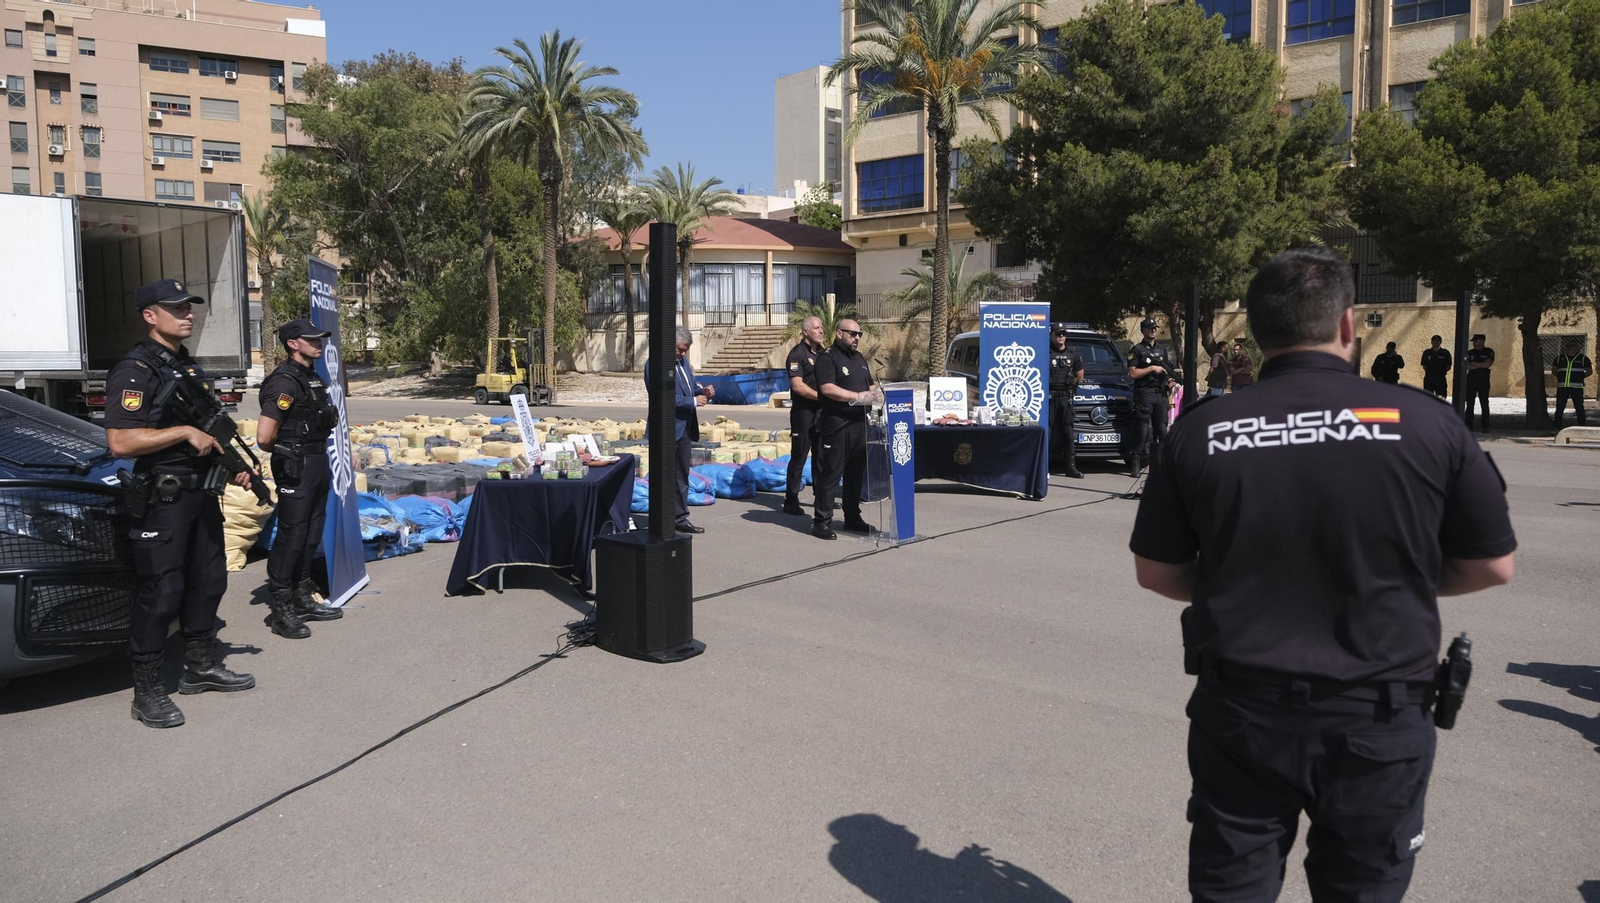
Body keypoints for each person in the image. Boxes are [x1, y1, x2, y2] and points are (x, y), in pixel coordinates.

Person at [1129, 247, 1516, 903]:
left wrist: (1237, 580)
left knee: (1232, 889)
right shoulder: (1428, 422)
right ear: (1346, 324)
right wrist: (1384, 578)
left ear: (1257, 333)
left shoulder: (1201, 431)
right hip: (1378, 715)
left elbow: (1156, 571)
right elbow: (1490, 564)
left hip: (1243, 714)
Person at [103, 279, 259, 729]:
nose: (187, 314)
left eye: (188, 307)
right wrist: (184, 432)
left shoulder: (184, 366)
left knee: (209, 581)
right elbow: (121, 441)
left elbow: (209, 431)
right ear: (150, 316)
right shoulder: (135, 370)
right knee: (162, 591)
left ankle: (200, 667)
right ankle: (148, 691)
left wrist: (234, 466)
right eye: (176, 308)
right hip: (164, 497)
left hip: (201, 492)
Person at [256, 319, 344, 637]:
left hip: (317, 461)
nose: (319, 344)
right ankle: (281, 609)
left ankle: (303, 596)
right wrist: (291, 451)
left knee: (311, 533)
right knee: (292, 536)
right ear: (293, 344)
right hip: (297, 465)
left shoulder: (311, 378)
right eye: (312, 339)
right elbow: (264, 437)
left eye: (319, 339)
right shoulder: (283, 382)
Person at [812, 318, 881, 540]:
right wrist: (858, 396)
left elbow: (869, 385)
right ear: (839, 333)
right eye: (852, 334)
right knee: (832, 473)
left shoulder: (859, 358)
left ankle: (852, 516)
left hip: (859, 423)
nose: (857, 338)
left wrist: (878, 393)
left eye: (859, 334)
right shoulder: (828, 357)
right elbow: (828, 388)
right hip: (837, 423)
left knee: (855, 473)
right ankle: (821, 521)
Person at [643, 327, 712, 535]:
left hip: (685, 429)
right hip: (666, 429)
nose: (682, 353)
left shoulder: (683, 363)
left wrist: (703, 392)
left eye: (685, 350)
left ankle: (679, 518)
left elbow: (690, 387)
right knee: (663, 476)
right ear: (669, 344)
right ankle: (661, 519)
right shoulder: (655, 364)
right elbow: (663, 397)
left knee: (682, 475)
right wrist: (693, 401)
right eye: (680, 349)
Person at [783, 316, 826, 514]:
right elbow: (798, 386)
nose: (821, 331)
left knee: (821, 456)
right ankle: (791, 500)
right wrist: (822, 398)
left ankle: (821, 498)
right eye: (816, 328)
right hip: (803, 412)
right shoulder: (797, 354)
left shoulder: (824, 354)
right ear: (806, 331)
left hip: (822, 412)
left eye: (821, 327)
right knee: (799, 456)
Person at [1126, 317, 1178, 478]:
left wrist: (1169, 381)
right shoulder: (1136, 350)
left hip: (1159, 394)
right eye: (1149, 328)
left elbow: (1167, 371)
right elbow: (1132, 373)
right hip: (1144, 393)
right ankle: (1135, 461)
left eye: (1155, 328)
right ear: (1143, 331)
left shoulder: (1162, 349)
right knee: (1142, 430)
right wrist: (1151, 368)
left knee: (1161, 430)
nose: (1153, 330)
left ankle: (1162, 464)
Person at [1048, 325, 1086, 479]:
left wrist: (1073, 380)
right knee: (1047, 432)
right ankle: (1043, 467)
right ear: (1052, 335)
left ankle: (1071, 467)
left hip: (1065, 396)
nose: (1061, 336)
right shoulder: (1046, 352)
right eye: (1058, 334)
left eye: (1063, 334)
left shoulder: (1073, 354)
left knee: (1068, 432)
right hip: (1049, 397)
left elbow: (1080, 376)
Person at [1551, 336, 1592, 431]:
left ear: (1577, 347)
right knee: (1560, 408)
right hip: (1562, 387)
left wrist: (1579, 378)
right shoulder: (1559, 358)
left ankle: (1582, 426)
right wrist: (1561, 378)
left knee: (1579, 407)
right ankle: (1556, 426)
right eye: (1568, 346)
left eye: (1572, 346)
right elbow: (1554, 371)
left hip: (1577, 388)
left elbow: (1589, 371)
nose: (1569, 348)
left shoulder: (1583, 358)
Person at [1464, 334, 1494, 432]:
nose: (1473, 343)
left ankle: (1485, 427)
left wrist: (1474, 363)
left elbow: (1488, 364)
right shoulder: (1470, 352)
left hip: (1483, 380)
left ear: (1481, 341)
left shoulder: (1488, 351)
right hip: (1471, 380)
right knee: (1470, 403)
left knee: (1484, 403)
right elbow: (1466, 366)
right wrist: (1481, 364)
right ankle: (1469, 426)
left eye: (1475, 341)